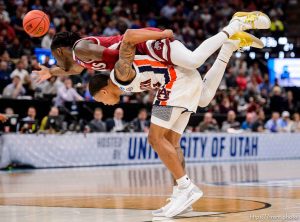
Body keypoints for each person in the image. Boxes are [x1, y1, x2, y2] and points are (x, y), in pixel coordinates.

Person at [87, 12, 268, 217]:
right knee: (172, 141)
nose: (104, 103)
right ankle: (180, 195)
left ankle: (186, 187)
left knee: (155, 139)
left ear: (103, 91)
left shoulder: (119, 75)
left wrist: (158, 35)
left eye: (100, 100)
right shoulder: (124, 86)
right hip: (182, 80)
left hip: (174, 83)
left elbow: (128, 41)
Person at [33, 11, 271, 85]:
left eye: (55, 56)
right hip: (145, 55)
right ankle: (233, 42)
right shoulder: (78, 59)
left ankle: (237, 23)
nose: (55, 59)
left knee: (194, 61)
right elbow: (73, 71)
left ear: (61, 49)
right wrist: (50, 72)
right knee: (201, 93)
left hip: (145, 45)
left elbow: (122, 50)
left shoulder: (81, 47)